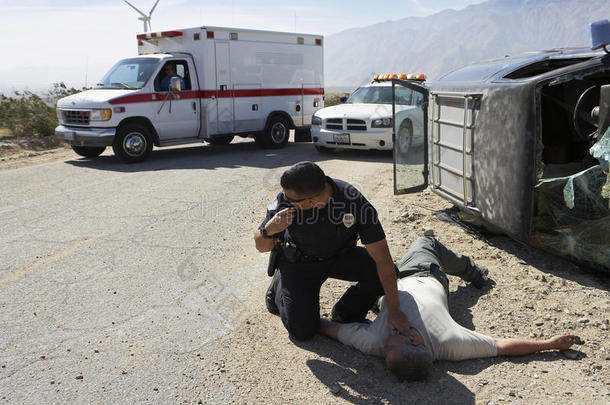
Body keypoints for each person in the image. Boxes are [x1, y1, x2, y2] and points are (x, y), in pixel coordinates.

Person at [319, 237, 582, 381]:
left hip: (385, 286)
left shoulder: (376, 343)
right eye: (392, 344)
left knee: (357, 287)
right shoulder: (452, 343)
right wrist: (548, 343)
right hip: (423, 273)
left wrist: (297, 316)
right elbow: (503, 346)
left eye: (385, 350)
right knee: (425, 242)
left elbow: (327, 327)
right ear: (414, 339)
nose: (384, 344)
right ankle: (472, 271)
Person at [254, 162, 414, 341]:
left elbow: (382, 258)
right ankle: (279, 285)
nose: (284, 197)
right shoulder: (284, 202)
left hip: (339, 257)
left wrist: (394, 310)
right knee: (303, 331)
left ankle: (345, 312)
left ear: (311, 201)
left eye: (290, 198)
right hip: (300, 264)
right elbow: (261, 246)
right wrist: (269, 230)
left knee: (387, 272)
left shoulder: (352, 200)